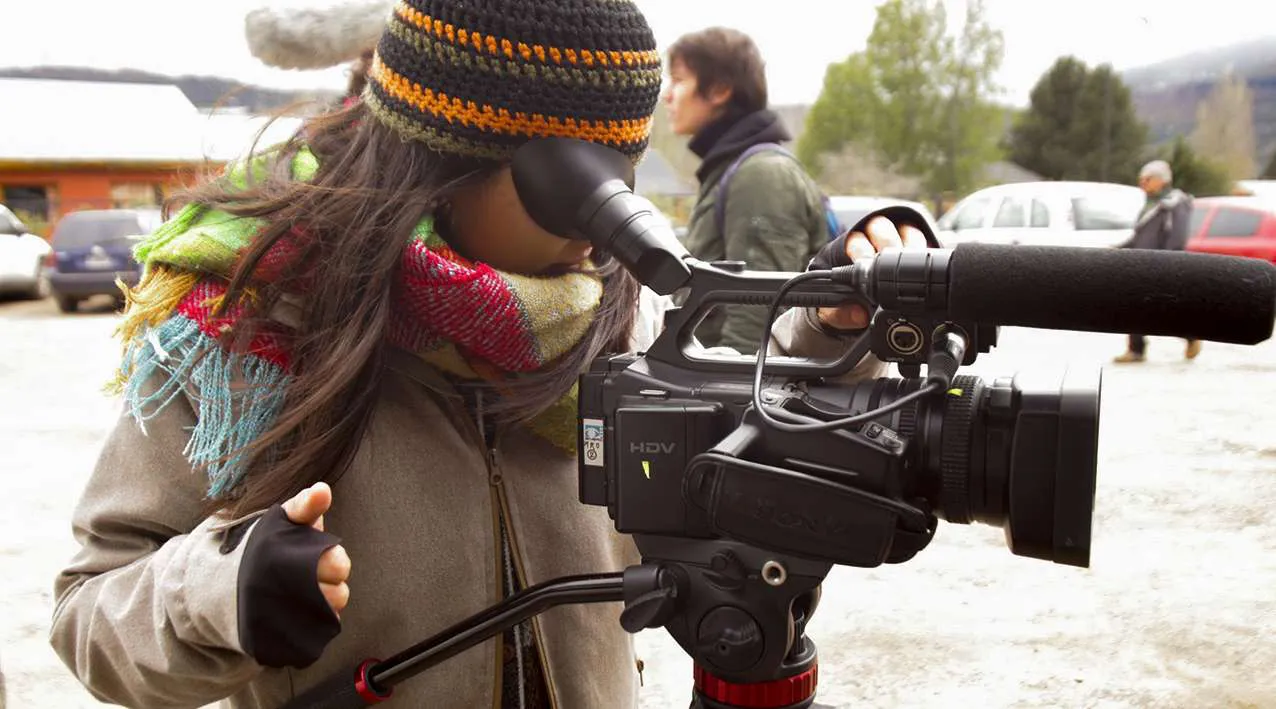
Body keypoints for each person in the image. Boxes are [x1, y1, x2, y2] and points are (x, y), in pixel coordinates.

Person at [48, 2, 925, 707]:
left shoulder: (609, 306)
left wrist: (831, 330)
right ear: (448, 156)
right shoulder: (251, 317)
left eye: (623, 177)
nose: (601, 235)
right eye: (579, 189)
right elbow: (89, 609)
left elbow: (738, 439)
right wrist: (219, 593)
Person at [663, 27, 832, 352]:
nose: (667, 95)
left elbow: (756, 321)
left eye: (679, 80)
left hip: (733, 380)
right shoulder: (729, 170)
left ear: (719, 89)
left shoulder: (761, 175)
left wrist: (723, 381)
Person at [1114, 159, 1200, 363]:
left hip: (1161, 265)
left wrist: (1166, 263)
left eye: (1147, 179)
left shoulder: (1176, 203)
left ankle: (1190, 335)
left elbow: (1177, 238)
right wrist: (1118, 250)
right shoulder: (1150, 205)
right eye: (1141, 179)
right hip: (1141, 264)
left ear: (1161, 180)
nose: (1142, 183)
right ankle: (1136, 349)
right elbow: (1140, 238)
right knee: (1134, 305)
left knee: (1163, 308)